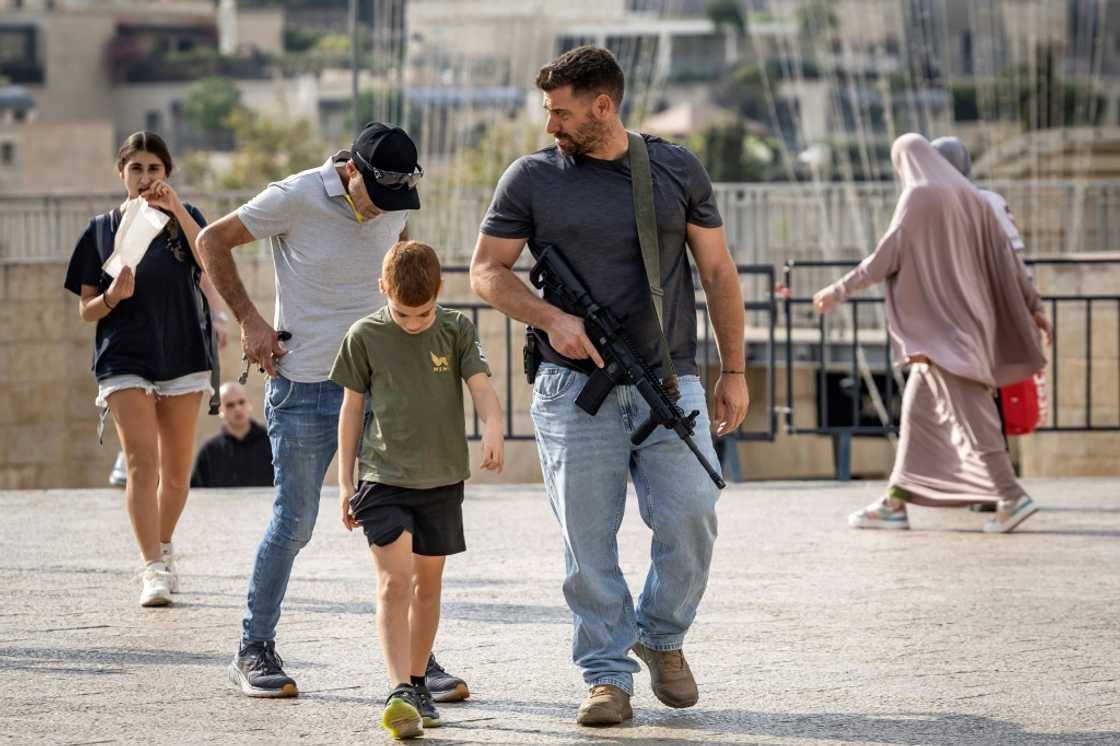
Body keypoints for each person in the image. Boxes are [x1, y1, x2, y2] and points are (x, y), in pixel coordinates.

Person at [469, 46, 749, 726]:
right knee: (586, 544)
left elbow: (716, 273)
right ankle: (604, 676)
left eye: (561, 112)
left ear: (604, 105)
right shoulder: (530, 180)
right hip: (572, 390)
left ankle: (660, 637)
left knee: (691, 515)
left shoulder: (675, 168)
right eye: (547, 112)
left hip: (667, 378)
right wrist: (551, 318)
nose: (550, 127)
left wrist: (732, 370)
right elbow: (487, 271)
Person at [197, 122, 469, 701]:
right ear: (351, 174)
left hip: (382, 392)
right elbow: (211, 242)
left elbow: (399, 272)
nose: (385, 214)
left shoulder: (392, 206)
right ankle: (254, 646)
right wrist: (249, 319)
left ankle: (416, 663)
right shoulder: (294, 196)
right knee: (294, 522)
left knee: (411, 525)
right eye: (379, 199)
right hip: (304, 389)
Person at [812, 133, 1051, 534]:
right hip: (965, 331)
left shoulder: (918, 197)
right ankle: (895, 503)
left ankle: (1012, 496)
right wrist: (1036, 307)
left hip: (943, 338)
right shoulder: (973, 200)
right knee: (918, 417)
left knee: (977, 423)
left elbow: (884, 258)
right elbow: (1009, 262)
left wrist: (837, 290)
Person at [332, 240, 504, 739]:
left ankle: (417, 679)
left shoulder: (456, 329)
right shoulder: (363, 335)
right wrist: (345, 482)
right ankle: (398, 689)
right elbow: (351, 410)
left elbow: (482, 388)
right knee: (394, 581)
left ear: (440, 294)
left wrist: (492, 424)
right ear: (383, 289)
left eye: (423, 312)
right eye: (404, 313)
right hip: (382, 479)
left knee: (428, 588)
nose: (414, 322)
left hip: (442, 481)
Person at [64, 131, 216, 607]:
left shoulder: (187, 220)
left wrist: (178, 212)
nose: (146, 177)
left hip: (183, 353)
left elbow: (208, 260)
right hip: (122, 356)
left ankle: (163, 547)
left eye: (154, 169)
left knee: (175, 473)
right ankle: (151, 568)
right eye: (137, 169)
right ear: (121, 173)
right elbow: (86, 309)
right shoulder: (101, 229)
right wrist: (113, 297)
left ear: (166, 172)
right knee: (141, 464)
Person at [932, 135, 1032, 513]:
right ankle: (987, 485)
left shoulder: (960, 202)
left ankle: (992, 487)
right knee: (982, 401)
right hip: (981, 315)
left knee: (979, 401)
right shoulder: (983, 200)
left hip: (974, 316)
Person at [111, 280, 229, 487]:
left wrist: (217, 317)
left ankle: (161, 469)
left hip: (179, 332)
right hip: (133, 332)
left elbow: (203, 274)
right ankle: (133, 456)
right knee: (131, 394)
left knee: (172, 413)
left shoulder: (180, 247)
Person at [190, 381, 274, 488]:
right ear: (220, 410)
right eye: (230, 405)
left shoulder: (271, 442)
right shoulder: (209, 451)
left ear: (249, 404)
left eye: (241, 402)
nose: (237, 409)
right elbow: (197, 492)